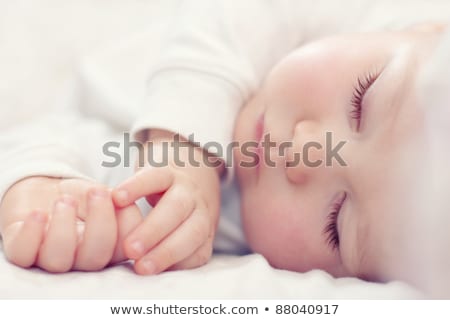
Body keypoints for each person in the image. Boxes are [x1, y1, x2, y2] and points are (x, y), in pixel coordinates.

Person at [0, 0, 449, 296]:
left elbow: (74, 145)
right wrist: (182, 144)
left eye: (337, 222)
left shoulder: (229, 231)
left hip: (87, 116)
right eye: (361, 100)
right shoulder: (374, 21)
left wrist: (48, 191)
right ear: (429, 26)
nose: (304, 151)